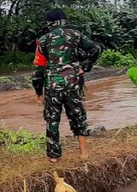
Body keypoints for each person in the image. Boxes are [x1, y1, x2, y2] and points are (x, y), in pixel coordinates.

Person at [31, 9, 101, 162]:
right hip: (73, 83)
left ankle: (54, 157)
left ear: (49, 22)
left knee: (52, 119)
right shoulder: (76, 35)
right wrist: (85, 67)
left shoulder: (43, 40)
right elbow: (96, 49)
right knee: (77, 115)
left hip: (52, 86)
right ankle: (83, 152)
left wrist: (38, 90)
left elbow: (39, 69)